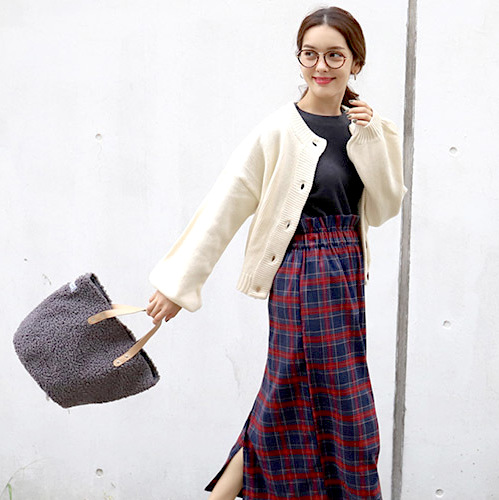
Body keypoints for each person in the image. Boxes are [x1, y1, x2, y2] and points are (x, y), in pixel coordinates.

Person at [146, 5, 407, 499]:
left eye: (335, 55)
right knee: (324, 402)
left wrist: (373, 136)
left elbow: (384, 207)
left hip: (346, 277)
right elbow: (225, 204)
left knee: (299, 397)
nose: (321, 67)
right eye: (310, 54)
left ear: (356, 62)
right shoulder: (278, 130)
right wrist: (178, 285)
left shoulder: (368, 128)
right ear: (299, 58)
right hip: (303, 275)